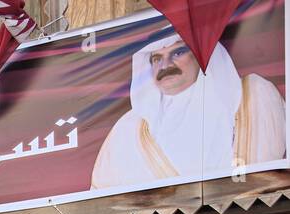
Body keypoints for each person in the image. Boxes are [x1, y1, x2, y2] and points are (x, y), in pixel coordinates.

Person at [91, 35, 286, 190]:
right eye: (157, 58)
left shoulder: (252, 94)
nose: (165, 65)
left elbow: (267, 175)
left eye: (178, 53)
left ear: (201, 56)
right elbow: (101, 203)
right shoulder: (128, 129)